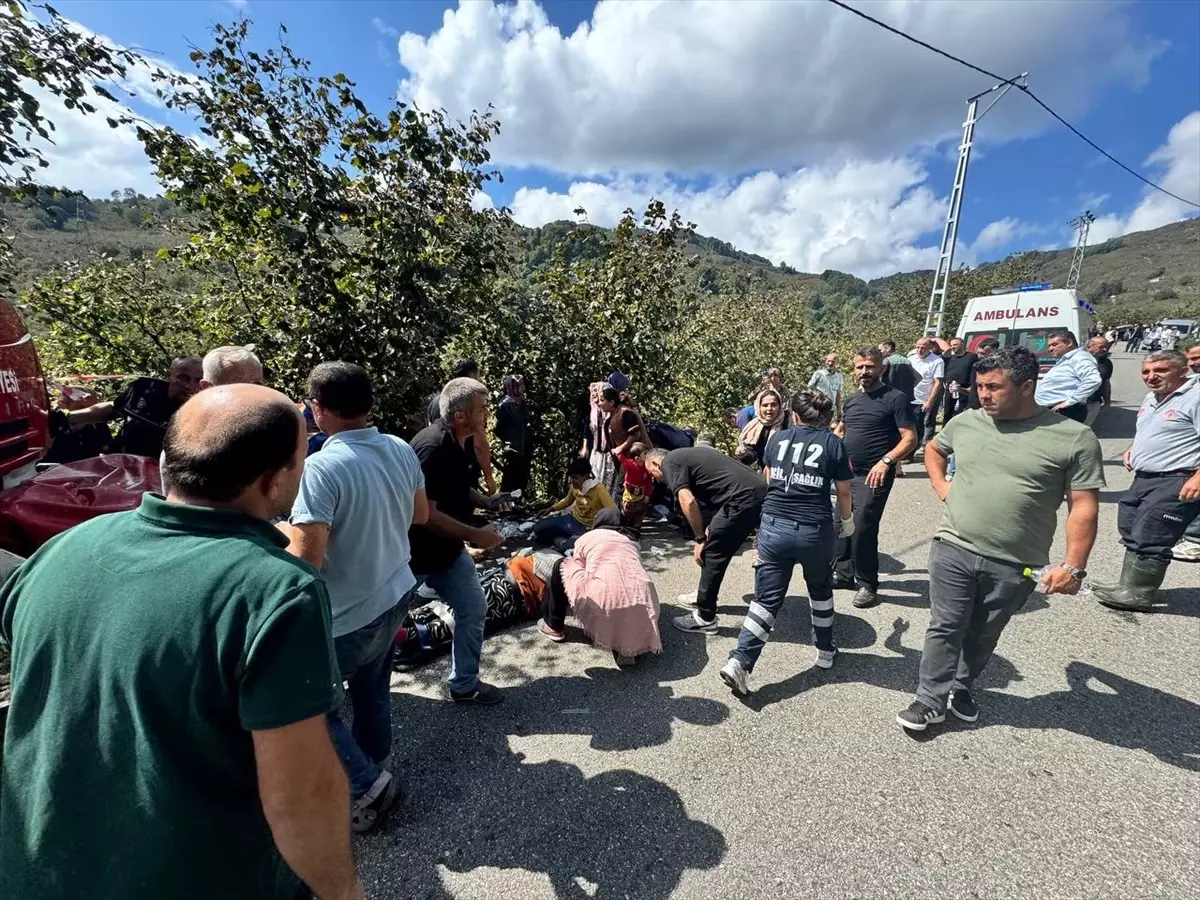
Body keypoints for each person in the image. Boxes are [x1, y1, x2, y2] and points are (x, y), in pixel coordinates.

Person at [1, 384, 363, 900]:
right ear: (277, 480)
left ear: (169, 461)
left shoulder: (63, 548)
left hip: (33, 874)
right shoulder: (274, 590)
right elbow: (300, 796)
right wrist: (344, 890)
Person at [898, 347, 1104, 732]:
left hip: (1016, 560)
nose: (984, 395)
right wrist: (943, 488)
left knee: (983, 633)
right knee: (945, 625)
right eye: (979, 386)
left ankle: (961, 685)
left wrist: (1073, 566)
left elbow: (1083, 507)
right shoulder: (967, 422)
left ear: (1027, 386)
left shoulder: (1073, 438)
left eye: (994, 387)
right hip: (953, 545)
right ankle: (929, 701)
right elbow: (934, 449)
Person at [284, 362, 426, 833]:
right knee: (372, 689)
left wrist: (281, 532)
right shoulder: (400, 448)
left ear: (317, 409)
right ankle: (376, 766)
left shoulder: (322, 466)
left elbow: (308, 561)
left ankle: (367, 785)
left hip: (347, 613)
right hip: (395, 590)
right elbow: (419, 514)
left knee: (306, 706)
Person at [719, 390, 854, 695]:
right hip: (814, 530)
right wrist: (847, 524)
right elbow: (844, 493)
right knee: (819, 589)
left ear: (794, 416)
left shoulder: (777, 440)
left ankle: (740, 661)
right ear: (826, 418)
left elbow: (768, 479)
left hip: (774, 527)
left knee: (765, 600)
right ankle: (824, 651)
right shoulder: (833, 444)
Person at [408, 377, 506, 705]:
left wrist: (488, 502)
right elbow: (426, 514)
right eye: (482, 409)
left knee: (473, 608)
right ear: (460, 415)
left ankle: (463, 685)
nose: (487, 414)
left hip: (447, 552)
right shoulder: (432, 447)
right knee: (377, 628)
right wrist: (475, 535)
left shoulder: (459, 441)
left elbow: (459, 488)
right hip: (411, 556)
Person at [1091, 351, 1199, 610]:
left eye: (1160, 370)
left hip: (1176, 478)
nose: (1151, 377)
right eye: (1146, 372)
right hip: (1145, 477)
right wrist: (1133, 448)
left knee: (1153, 533)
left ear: (1182, 370)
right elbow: (1152, 432)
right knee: (1130, 525)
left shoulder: (1195, 398)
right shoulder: (1152, 398)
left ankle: (1139, 592)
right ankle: (1127, 584)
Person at [643, 444, 768, 635]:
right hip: (757, 492)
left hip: (742, 498)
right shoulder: (690, 454)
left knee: (711, 552)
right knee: (716, 544)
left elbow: (688, 501)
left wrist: (700, 538)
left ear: (654, 462)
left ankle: (705, 617)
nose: (654, 478)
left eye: (651, 472)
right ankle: (704, 595)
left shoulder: (670, 462)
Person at [832, 347, 918, 608]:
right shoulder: (851, 400)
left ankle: (868, 583)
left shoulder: (896, 398)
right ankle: (844, 573)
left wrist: (886, 461)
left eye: (869, 366)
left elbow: (910, 438)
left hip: (875, 473)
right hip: (847, 473)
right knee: (841, 522)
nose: (864, 372)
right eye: (859, 367)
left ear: (882, 368)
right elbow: (841, 429)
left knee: (863, 525)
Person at [537, 507, 662, 666]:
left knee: (561, 566)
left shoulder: (587, 537)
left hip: (604, 600)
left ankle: (553, 626)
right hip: (646, 603)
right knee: (625, 587)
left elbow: (576, 569)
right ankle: (626, 646)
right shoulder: (631, 541)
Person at [66, 355, 203, 457]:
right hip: (119, 461)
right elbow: (115, 409)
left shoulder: (201, 408)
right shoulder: (144, 388)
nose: (189, 386)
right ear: (169, 375)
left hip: (160, 474)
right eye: (183, 377)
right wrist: (69, 418)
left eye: (197, 380)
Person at [426, 358, 497, 495]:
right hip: (463, 467)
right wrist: (489, 476)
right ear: (471, 375)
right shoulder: (472, 403)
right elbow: (479, 443)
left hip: (437, 467)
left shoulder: (437, 401)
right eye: (478, 375)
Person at [534, 457, 617, 546]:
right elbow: (567, 501)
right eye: (571, 477)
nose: (572, 481)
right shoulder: (574, 486)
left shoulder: (599, 488)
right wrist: (551, 509)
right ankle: (564, 540)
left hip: (587, 528)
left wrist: (597, 528)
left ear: (586, 476)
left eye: (575, 477)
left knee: (570, 546)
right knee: (537, 528)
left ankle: (563, 541)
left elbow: (613, 510)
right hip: (571, 520)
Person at [1034, 330, 1101, 423]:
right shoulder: (1067, 359)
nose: (1050, 349)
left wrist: (1069, 402)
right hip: (1054, 410)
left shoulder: (1080, 357)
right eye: (1049, 346)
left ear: (1069, 343)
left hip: (1065, 412)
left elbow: (1093, 380)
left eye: (1054, 344)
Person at [598, 385, 650, 497]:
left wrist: (619, 449)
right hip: (626, 459)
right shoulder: (613, 415)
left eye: (602, 400)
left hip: (637, 458)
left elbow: (635, 435)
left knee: (638, 486)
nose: (599, 403)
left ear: (611, 402)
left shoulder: (625, 413)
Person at [495, 374, 533, 495]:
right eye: (520, 385)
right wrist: (508, 440)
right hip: (512, 445)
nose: (523, 387)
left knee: (522, 474)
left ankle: (517, 502)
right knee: (510, 474)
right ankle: (504, 504)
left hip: (524, 443)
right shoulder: (505, 405)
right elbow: (498, 428)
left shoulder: (522, 402)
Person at [906, 337, 945, 453]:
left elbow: (938, 382)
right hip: (908, 398)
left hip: (922, 399)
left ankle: (911, 452)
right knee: (906, 425)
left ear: (930, 348)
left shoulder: (937, 361)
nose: (920, 350)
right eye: (918, 347)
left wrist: (930, 401)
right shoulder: (910, 359)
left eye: (923, 347)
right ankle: (906, 450)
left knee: (918, 426)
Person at [734, 386, 785, 468]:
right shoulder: (755, 427)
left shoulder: (789, 423)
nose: (769, 409)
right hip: (767, 473)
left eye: (773, 405)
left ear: (780, 406)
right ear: (759, 407)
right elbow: (752, 455)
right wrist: (744, 455)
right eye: (765, 405)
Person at [940, 337, 976, 425]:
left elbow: (974, 372)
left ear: (962, 344)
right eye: (951, 345)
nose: (953, 347)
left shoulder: (971, 357)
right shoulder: (949, 358)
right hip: (950, 389)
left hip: (965, 389)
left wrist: (971, 386)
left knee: (962, 413)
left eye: (955, 344)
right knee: (947, 413)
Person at [619, 441, 653, 530]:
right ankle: (625, 529)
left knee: (640, 514)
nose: (647, 456)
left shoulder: (647, 467)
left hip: (641, 496)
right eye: (645, 454)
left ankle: (635, 530)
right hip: (629, 497)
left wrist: (648, 495)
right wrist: (617, 450)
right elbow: (621, 458)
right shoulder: (629, 464)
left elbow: (649, 482)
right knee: (626, 514)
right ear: (637, 458)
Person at [807, 353, 844, 421]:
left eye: (833, 362)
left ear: (837, 363)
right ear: (825, 361)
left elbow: (838, 394)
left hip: (830, 409)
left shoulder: (839, 376)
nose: (830, 363)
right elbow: (809, 389)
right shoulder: (818, 374)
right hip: (817, 407)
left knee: (826, 428)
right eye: (828, 361)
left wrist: (839, 411)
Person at [966, 338, 1000, 410]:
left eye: (983, 353)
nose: (979, 356)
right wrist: (959, 389)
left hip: (990, 406)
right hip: (973, 406)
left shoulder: (1000, 368)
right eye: (978, 353)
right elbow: (973, 388)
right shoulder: (976, 366)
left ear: (993, 352)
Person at [1086, 335, 1113, 418]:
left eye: (1106, 347)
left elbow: (1106, 383)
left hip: (1094, 403)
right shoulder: (1079, 361)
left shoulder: (1107, 363)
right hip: (1075, 403)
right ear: (1089, 347)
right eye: (1101, 347)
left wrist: (1107, 402)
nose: (1105, 349)